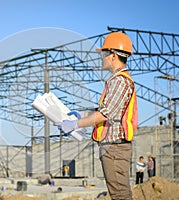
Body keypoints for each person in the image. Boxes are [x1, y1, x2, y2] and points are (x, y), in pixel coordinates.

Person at [55, 32, 138, 200]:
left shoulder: (120, 81)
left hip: (115, 147)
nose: (102, 58)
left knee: (120, 194)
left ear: (113, 56)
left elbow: (104, 115)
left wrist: (76, 124)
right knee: (119, 193)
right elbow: (107, 110)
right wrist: (82, 114)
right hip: (113, 147)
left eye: (104, 54)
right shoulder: (117, 80)